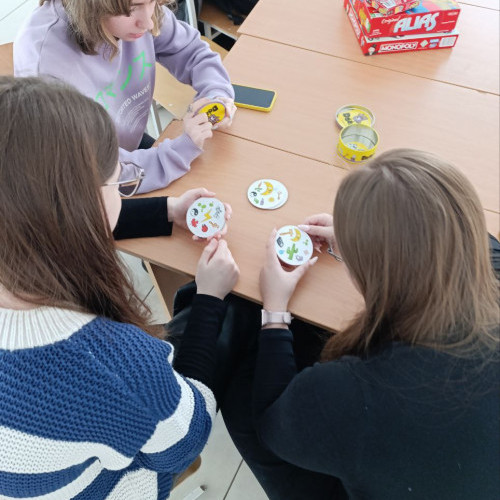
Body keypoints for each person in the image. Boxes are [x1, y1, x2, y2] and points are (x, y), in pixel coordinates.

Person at [0, 75, 240, 499]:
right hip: (109, 487)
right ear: (82, 206)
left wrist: (166, 210)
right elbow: (186, 440)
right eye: (119, 183)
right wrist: (210, 299)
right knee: (226, 318)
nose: (122, 193)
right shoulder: (115, 365)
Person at [221, 149, 500, 499]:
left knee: (240, 387)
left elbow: (273, 427)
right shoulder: (486, 267)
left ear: (372, 274)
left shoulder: (348, 393)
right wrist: (368, 235)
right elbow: (479, 241)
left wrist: (275, 309)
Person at [14, 0, 236, 193]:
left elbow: (192, 51)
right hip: (84, 182)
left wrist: (216, 93)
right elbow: (94, 169)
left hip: (126, 148)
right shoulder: (45, 65)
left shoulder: (140, 10)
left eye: (153, 2)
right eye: (131, 9)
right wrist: (180, 151)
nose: (148, 23)